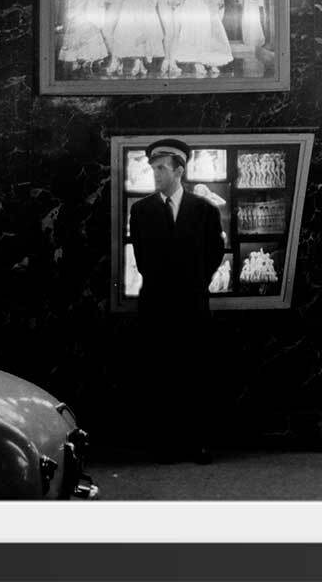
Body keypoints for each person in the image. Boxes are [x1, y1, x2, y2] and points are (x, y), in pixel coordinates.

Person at [129, 138, 225, 462]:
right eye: (153, 168)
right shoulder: (141, 211)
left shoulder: (205, 211)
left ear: (179, 170)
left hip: (192, 303)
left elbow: (215, 253)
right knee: (161, 374)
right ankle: (166, 444)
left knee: (196, 373)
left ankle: (198, 443)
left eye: (161, 168)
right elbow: (142, 259)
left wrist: (194, 281)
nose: (155, 174)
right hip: (157, 304)